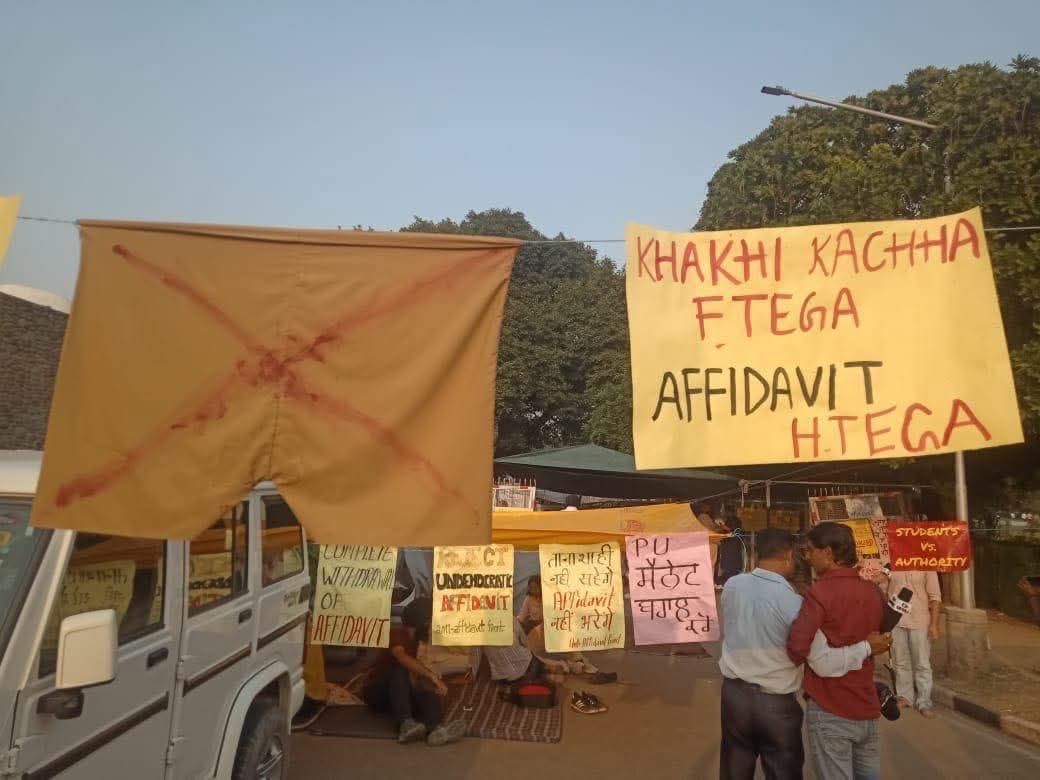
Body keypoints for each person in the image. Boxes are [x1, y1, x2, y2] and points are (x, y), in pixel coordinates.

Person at [719, 527, 890, 780]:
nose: (805, 558)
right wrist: (867, 647)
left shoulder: (733, 586)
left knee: (735, 767)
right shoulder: (795, 602)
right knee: (782, 771)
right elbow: (819, 660)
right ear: (789, 556)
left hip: (733, 696)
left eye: (810, 551)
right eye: (802, 553)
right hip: (775, 702)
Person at [788, 523, 886, 780]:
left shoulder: (819, 593)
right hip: (866, 706)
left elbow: (797, 648)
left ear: (828, 552)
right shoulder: (873, 591)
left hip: (830, 707)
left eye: (810, 550)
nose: (807, 556)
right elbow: (882, 638)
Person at [362, 597, 466, 746]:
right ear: (421, 623)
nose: (432, 627)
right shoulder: (397, 633)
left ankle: (435, 729)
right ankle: (405, 724)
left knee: (428, 689)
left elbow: (418, 673)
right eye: (430, 623)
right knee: (401, 670)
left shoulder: (418, 642)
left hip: (398, 694)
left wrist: (433, 685)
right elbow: (402, 658)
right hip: (376, 691)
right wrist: (431, 676)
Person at [884, 569, 942, 718]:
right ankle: (905, 697)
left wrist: (934, 624)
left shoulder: (926, 566)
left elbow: (935, 597)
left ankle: (924, 702)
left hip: (920, 620)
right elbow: (884, 592)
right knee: (900, 662)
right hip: (896, 621)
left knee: (922, 663)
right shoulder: (892, 563)